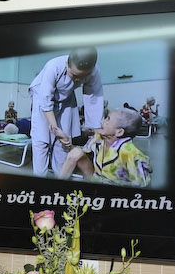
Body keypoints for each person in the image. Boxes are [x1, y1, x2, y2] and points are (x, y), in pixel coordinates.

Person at [28, 48, 103, 176]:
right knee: (42, 138)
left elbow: (94, 99)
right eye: (74, 75)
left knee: (65, 140)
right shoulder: (53, 66)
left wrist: (96, 134)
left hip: (67, 97)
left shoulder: (94, 71)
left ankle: (61, 176)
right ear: (67, 65)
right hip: (42, 95)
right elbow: (45, 102)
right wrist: (56, 130)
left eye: (82, 77)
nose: (78, 80)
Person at [59, 109, 151, 187]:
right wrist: (66, 141)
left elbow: (142, 186)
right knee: (76, 152)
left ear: (119, 132)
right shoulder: (98, 139)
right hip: (96, 179)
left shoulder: (132, 154)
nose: (102, 122)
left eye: (108, 119)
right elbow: (81, 154)